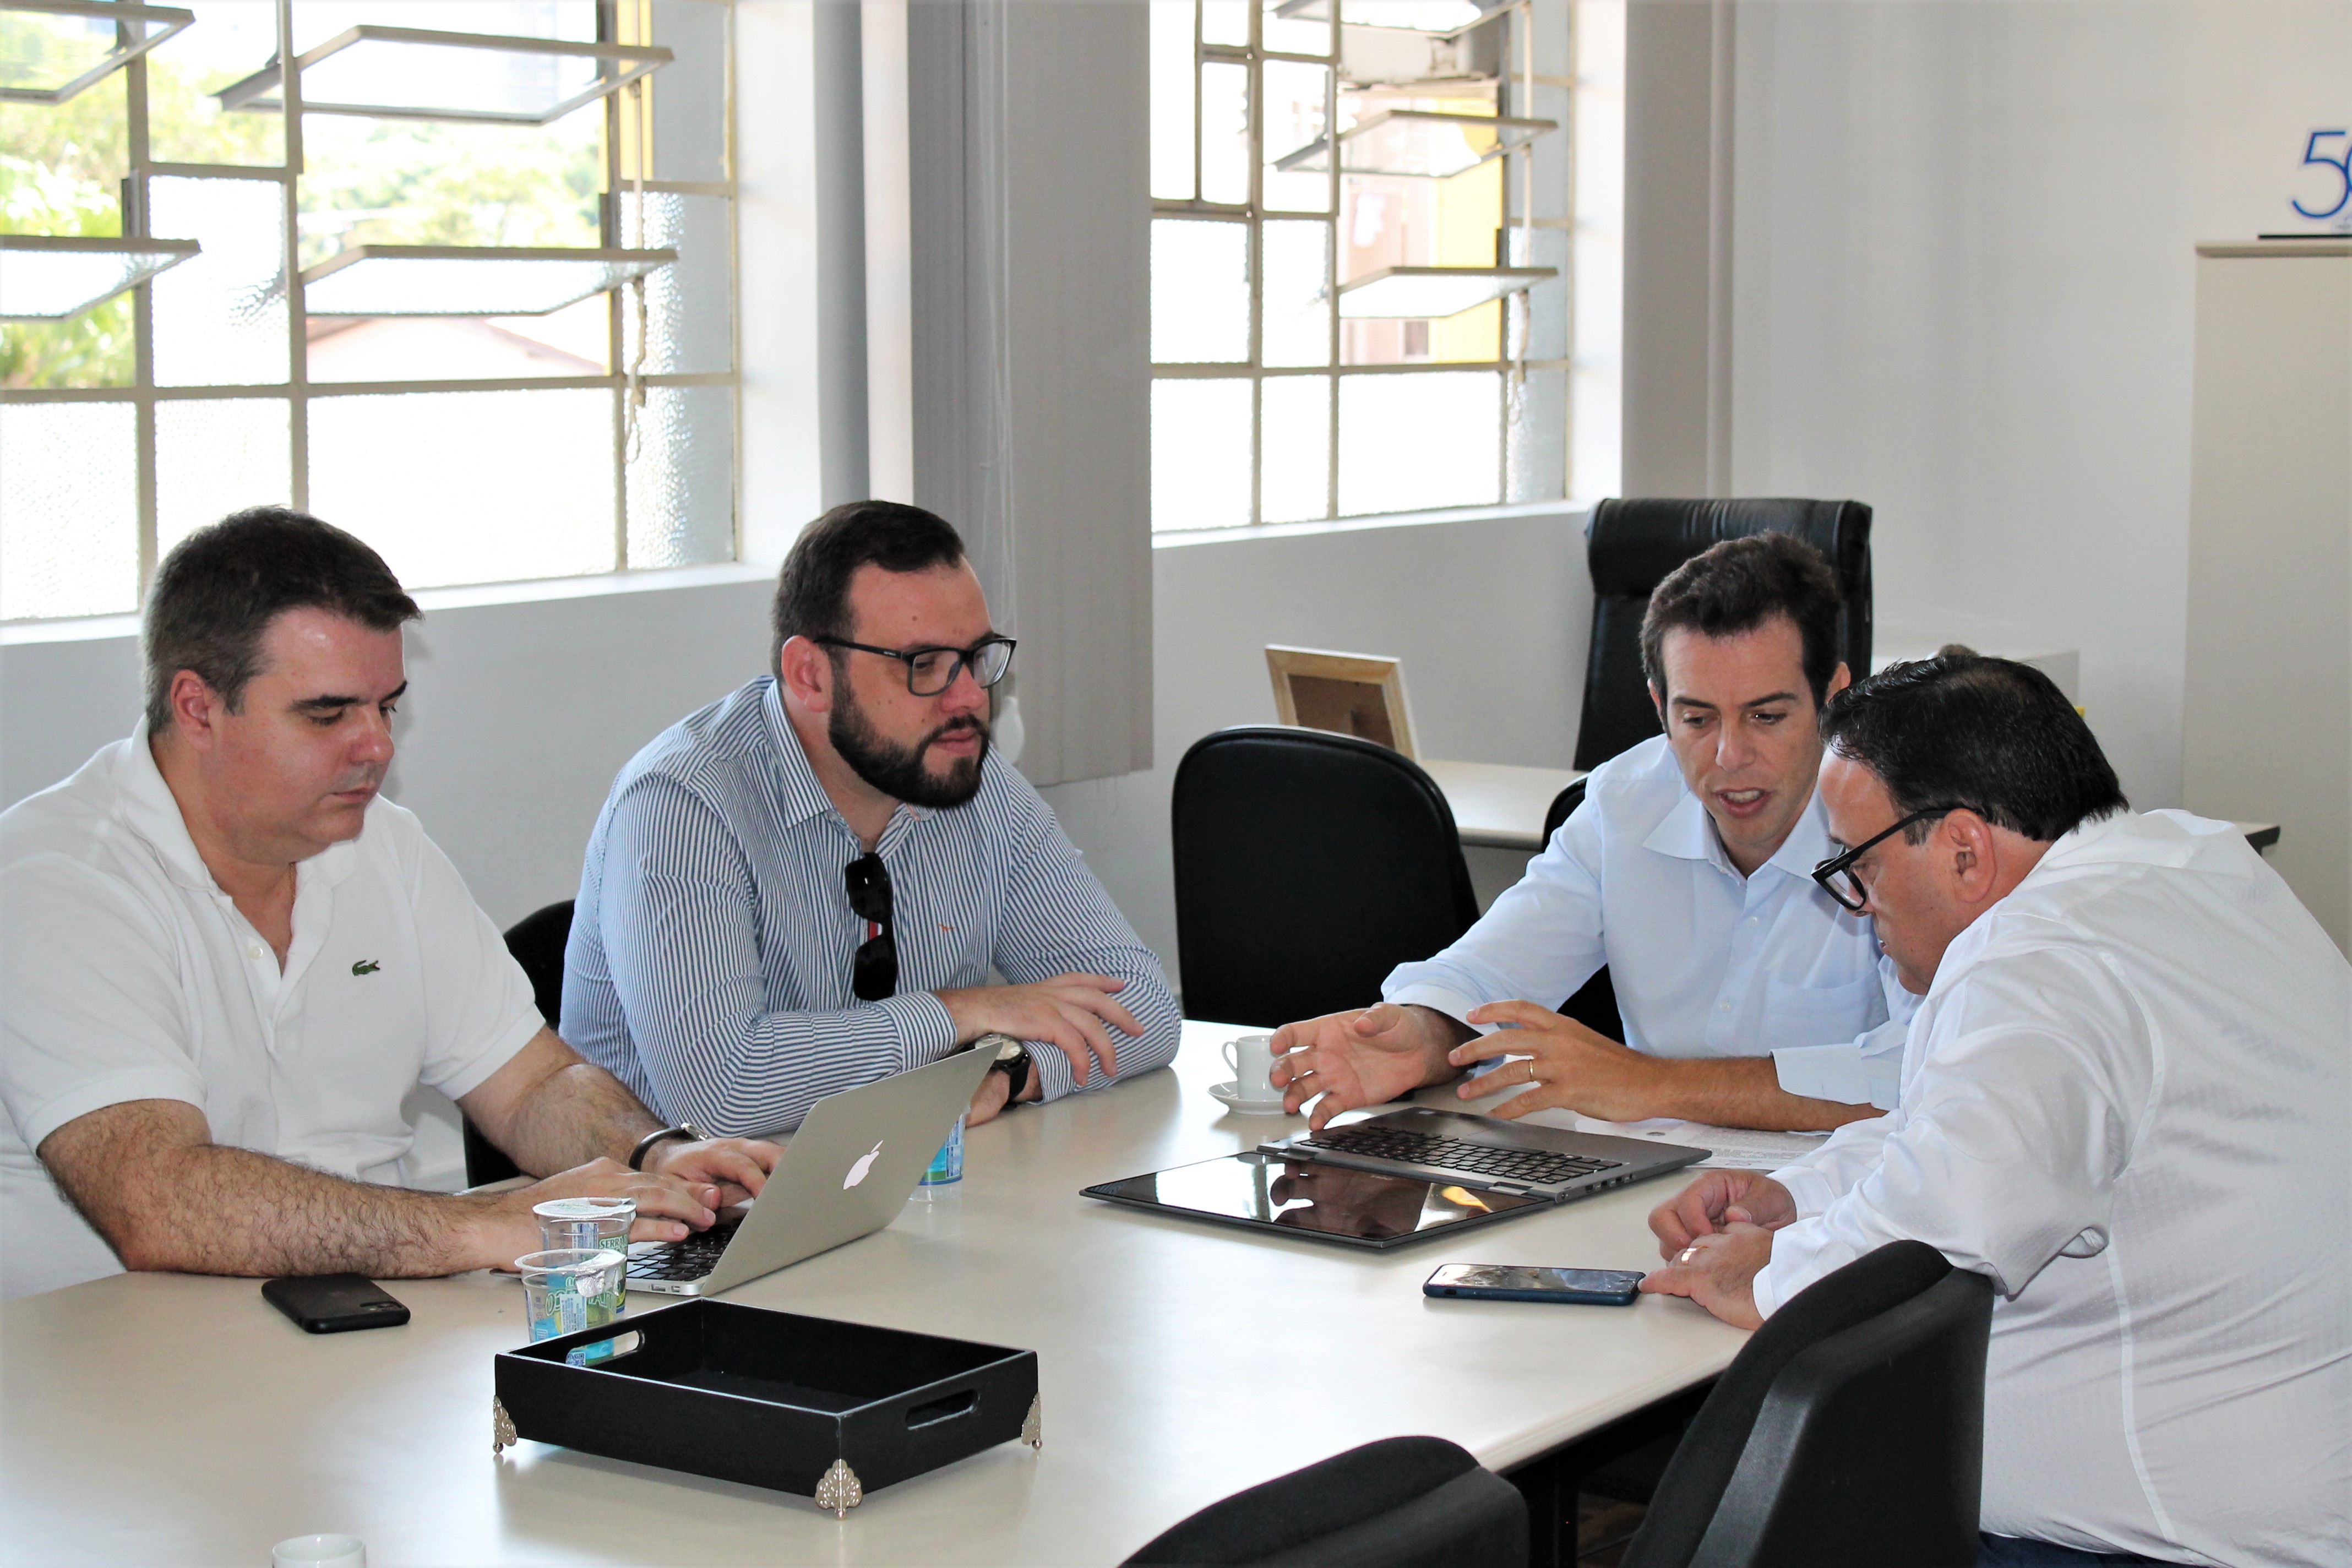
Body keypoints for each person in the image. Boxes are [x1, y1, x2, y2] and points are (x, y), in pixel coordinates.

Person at [1642, 654, 2348, 1568]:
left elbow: (1952, 1220)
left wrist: (1767, 1274)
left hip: (2161, 1545)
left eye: (1858, 863)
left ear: (1965, 851)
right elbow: (1955, 1127)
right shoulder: (2189, 863)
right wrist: (1799, 1196)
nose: (1859, 906)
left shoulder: (2038, 959)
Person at [0, 509, 781, 1303]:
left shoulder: (384, 843)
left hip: (373, 1316)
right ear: (197, 707)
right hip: (116, 1347)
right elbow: (157, 1202)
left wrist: (654, 1156)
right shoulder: (57, 876)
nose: (376, 746)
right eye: (328, 713)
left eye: (387, 707)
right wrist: (480, 1226)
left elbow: (532, 1083)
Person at [563, 500, 1182, 1138]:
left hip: (895, 1176)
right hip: (679, 1195)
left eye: (976, 655)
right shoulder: (681, 803)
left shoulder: (966, 775)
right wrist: (961, 1015)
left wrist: (1006, 1067)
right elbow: (722, 1093)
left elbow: (1144, 1007)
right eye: (924, 665)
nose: (970, 697)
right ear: (811, 675)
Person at [1272, 533, 1909, 1134]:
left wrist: (1651, 1083)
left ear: (1833, 697)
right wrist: (1424, 1037)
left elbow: (1916, 1071)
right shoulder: (1625, 804)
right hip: (1659, 1176)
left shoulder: (1904, 828)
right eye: (1697, 719)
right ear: (1659, 706)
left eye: (1766, 716)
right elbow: (1482, 976)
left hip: (1845, 1189)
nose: (1729, 756)